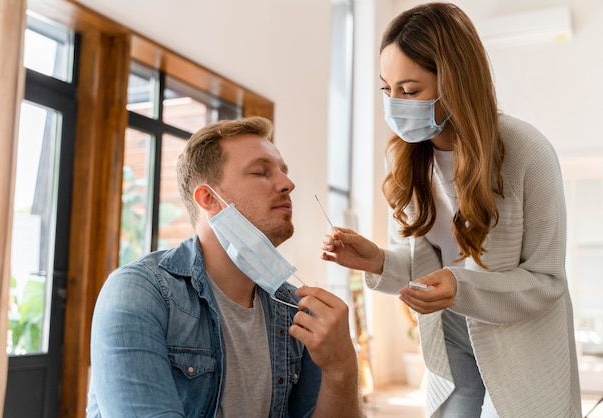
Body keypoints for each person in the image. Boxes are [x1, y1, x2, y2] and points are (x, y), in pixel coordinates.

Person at [321, 3, 581, 418]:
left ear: (457, 84)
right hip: (449, 331)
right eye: (386, 89)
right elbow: (422, 262)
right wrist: (378, 261)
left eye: (410, 91)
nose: (394, 104)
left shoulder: (527, 152)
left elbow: (547, 281)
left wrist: (462, 287)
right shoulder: (404, 162)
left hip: (519, 340)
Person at [86, 116, 362, 417]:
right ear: (208, 199)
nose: (288, 183)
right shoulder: (138, 293)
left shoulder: (294, 310)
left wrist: (341, 369)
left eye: (283, 171)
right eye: (261, 172)